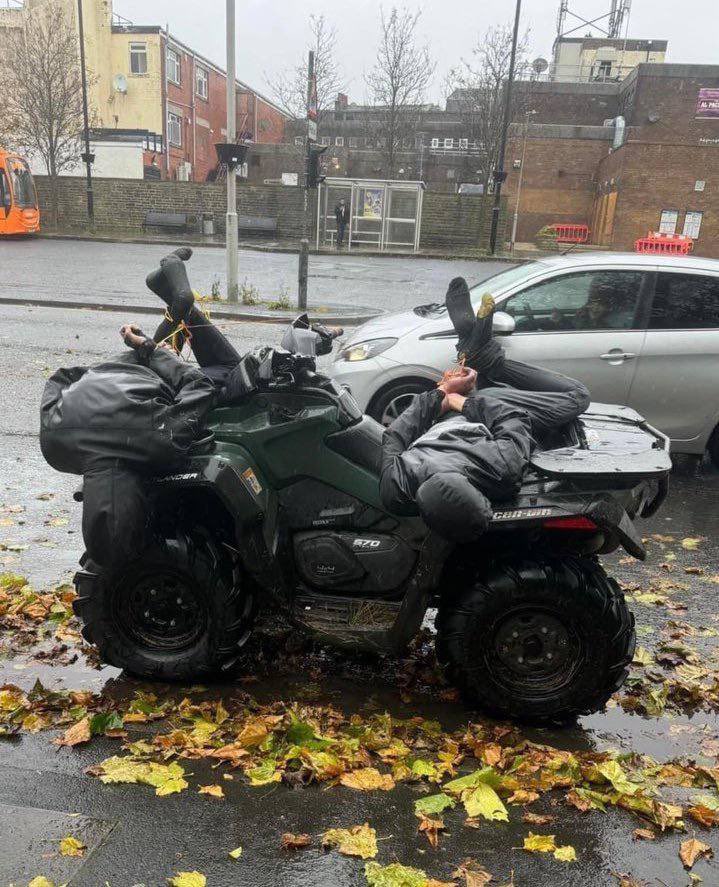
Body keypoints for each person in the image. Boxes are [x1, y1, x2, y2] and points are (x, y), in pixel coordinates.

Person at [379, 277, 590, 542]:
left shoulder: (501, 471)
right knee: (486, 382)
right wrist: (441, 395)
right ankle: (474, 345)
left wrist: (457, 399)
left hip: (481, 411)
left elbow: (511, 419)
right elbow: (396, 433)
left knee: (577, 396)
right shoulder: (397, 488)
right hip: (448, 415)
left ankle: (489, 359)